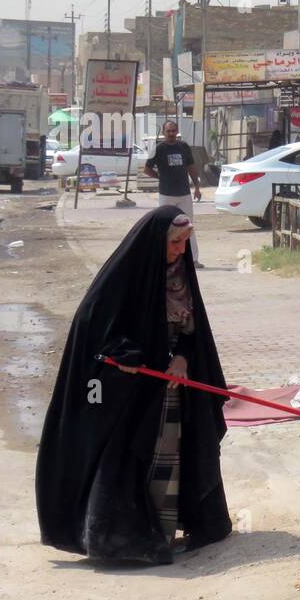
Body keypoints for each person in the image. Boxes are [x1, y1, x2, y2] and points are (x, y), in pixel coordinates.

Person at [35, 206, 231, 564]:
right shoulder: (126, 275)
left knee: (170, 459)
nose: (180, 251)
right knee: (129, 462)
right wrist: (125, 356)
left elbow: (192, 332)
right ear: (156, 241)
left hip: (170, 388)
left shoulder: (181, 277)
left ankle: (166, 530)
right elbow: (90, 324)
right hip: (132, 393)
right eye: (175, 243)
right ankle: (127, 539)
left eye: (186, 243)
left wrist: (184, 360)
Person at [144, 120, 203, 264]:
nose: (171, 134)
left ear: (177, 132)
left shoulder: (184, 147)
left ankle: (193, 260)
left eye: (173, 131)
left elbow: (191, 167)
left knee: (188, 226)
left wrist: (197, 187)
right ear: (164, 133)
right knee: (165, 226)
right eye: (168, 131)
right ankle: (164, 257)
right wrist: (160, 177)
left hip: (184, 194)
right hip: (166, 195)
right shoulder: (158, 149)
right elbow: (147, 169)